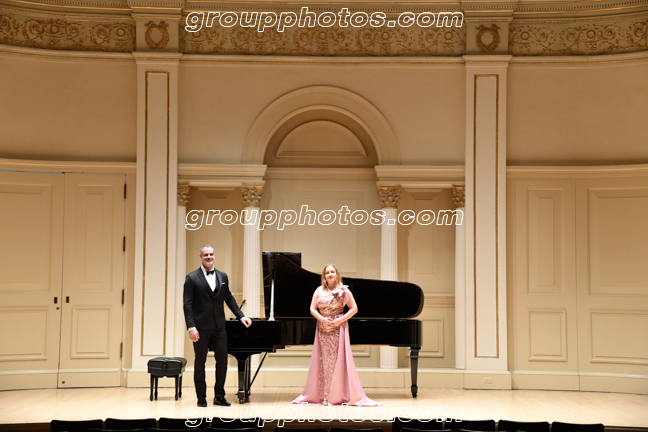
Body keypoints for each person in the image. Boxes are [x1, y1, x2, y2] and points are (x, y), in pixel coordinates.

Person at [292, 263, 381, 406]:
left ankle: (334, 395)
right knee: (324, 360)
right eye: (327, 272)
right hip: (322, 328)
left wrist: (339, 320)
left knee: (335, 360)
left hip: (338, 328)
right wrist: (322, 319)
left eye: (332, 272)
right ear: (324, 276)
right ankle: (324, 394)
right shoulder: (318, 290)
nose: (330, 274)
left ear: (337, 274)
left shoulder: (344, 290)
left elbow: (354, 308)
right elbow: (312, 308)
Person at [183, 245, 252, 407]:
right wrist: (191, 327)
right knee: (200, 362)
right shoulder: (191, 278)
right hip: (200, 328)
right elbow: (187, 305)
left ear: (214, 255)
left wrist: (241, 316)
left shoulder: (222, 276)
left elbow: (229, 298)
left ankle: (219, 396)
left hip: (219, 327)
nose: (209, 257)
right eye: (205, 254)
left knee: (222, 362)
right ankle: (201, 398)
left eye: (211, 254)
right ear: (200, 256)